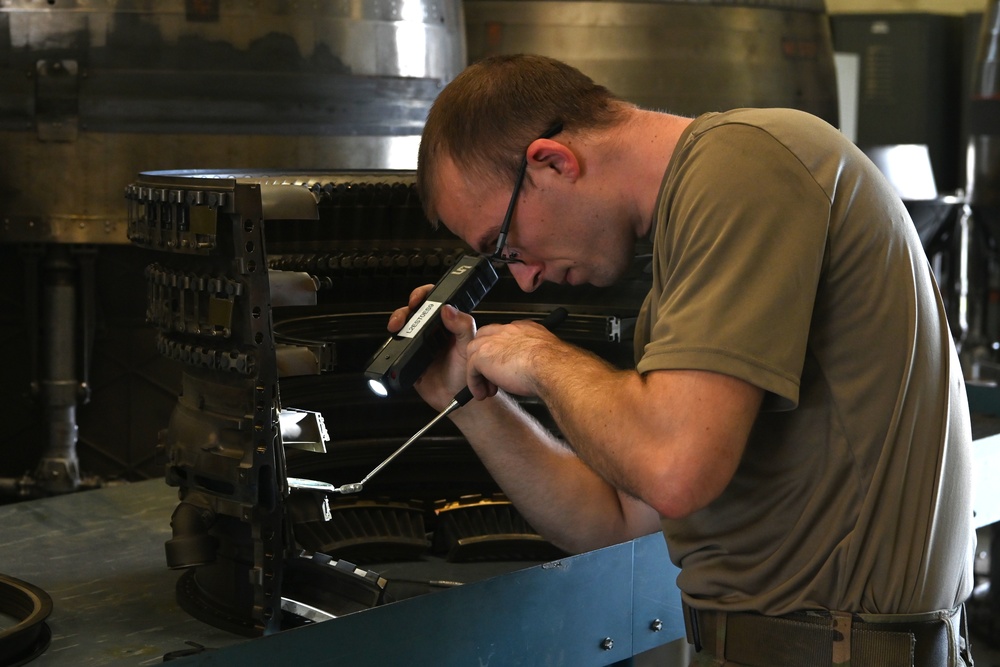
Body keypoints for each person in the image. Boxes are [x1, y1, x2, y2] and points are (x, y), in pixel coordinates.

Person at [389, 54, 975, 666]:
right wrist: (469, 401)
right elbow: (614, 520)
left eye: (504, 244)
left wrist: (536, 354)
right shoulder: (682, 253)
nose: (527, 278)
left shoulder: (743, 164)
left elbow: (673, 469)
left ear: (552, 163)